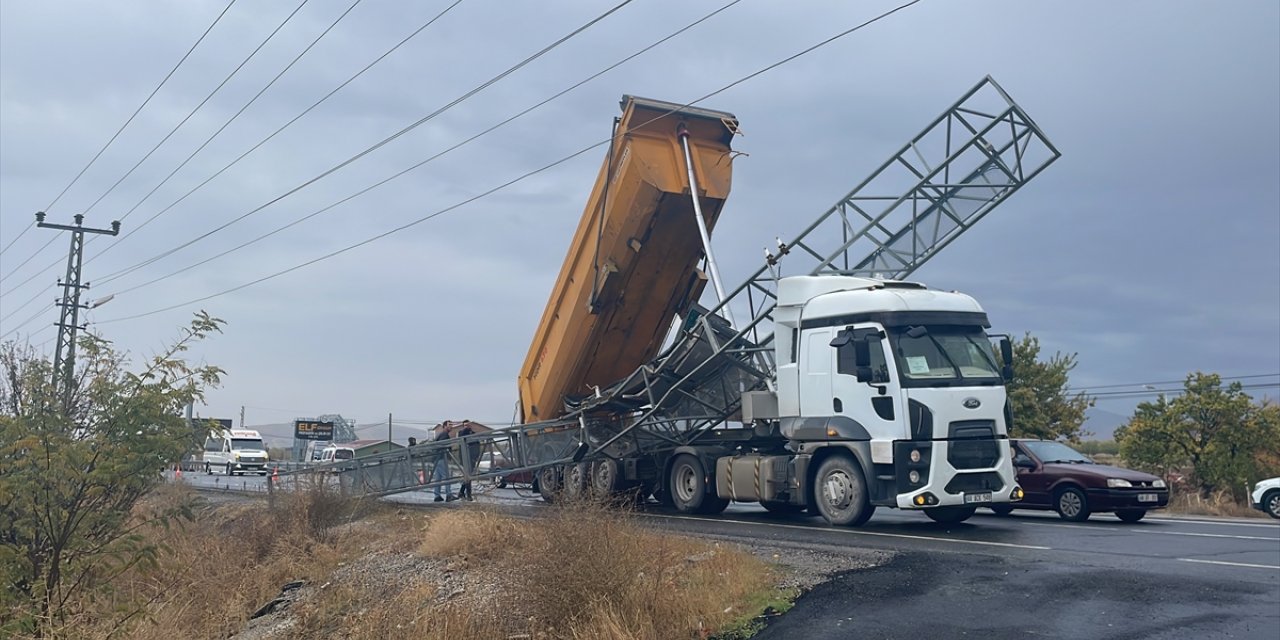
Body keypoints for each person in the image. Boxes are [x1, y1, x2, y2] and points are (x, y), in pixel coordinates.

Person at [431, 424, 457, 502]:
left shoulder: (441, 434)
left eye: (451, 425)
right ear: (444, 426)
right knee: (446, 477)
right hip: (441, 458)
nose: (451, 426)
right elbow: (441, 446)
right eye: (449, 425)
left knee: (438, 478)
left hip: (437, 458)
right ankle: (449, 495)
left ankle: (437, 495)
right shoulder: (445, 435)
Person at [457, 424, 481, 501]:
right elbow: (461, 438)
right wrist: (466, 429)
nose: (467, 427)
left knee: (468, 477)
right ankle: (468, 494)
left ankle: (462, 492)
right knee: (468, 477)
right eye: (465, 425)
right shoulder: (462, 434)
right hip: (465, 459)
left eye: (468, 425)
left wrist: (476, 457)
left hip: (471, 459)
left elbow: (477, 445)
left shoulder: (473, 434)